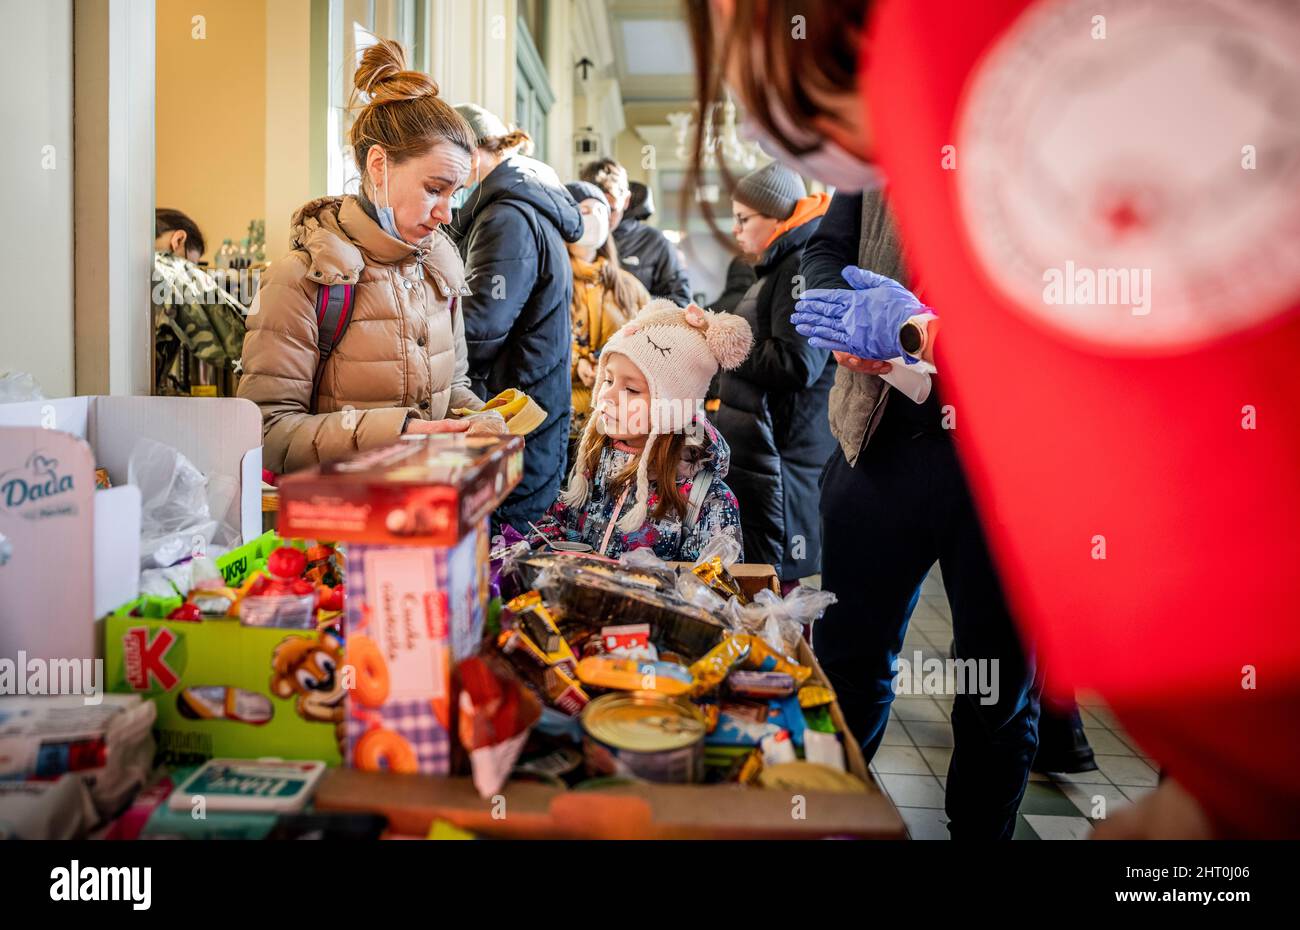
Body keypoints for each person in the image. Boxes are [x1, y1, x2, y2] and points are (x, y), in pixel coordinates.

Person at [239, 39, 485, 474]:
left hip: (428, 516)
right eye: (434, 189)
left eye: (455, 194)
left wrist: (480, 419)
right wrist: (399, 431)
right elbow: (265, 430)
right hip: (336, 530)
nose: (446, 214)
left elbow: (455, 386)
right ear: (379, 166)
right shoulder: (301, 279)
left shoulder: (440, 270)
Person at [533, 300, 752, 562]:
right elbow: (558, 523)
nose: (608, 395)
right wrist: (544, 548)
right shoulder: (595, 459)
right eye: (608, 379)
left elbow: (710, 591)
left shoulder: (709, 499)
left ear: (672, 407)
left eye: (632, 389)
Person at [450, 104, 583, 527]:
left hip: (515, 411)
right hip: (534, 405)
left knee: (503, 551)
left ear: (472, 152)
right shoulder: (525, 205)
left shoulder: (505, 216)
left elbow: (481, 327)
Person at [712, 162, 835, 589]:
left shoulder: (798, 265)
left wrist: (722, 338)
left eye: (745, 218)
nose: (736, 229)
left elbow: (797, 362)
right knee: (765, 580)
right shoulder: (777, 267)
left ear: (779, 217)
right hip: (765, 457)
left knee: (777, 586)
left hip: (781, 460)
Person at [563, 180, 649, 449]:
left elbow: (651, 343)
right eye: (585, 211)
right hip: (565, 423)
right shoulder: (550, 283)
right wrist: (577, 364)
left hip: (620, 427)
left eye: (601, 211)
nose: (595, 219)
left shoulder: (627, 285)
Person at [153, 208, 248, 396]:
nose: (191, 268)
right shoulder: (168, 266)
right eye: (191, 263)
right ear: (178, 240)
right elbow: (241, 342)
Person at [582, 159, 692, 306]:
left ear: (626, 200)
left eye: (612, 209)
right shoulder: (571, 239)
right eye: (597, 210)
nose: (604, 218)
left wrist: (633, 303)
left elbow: (682, 300)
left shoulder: (655, 242)